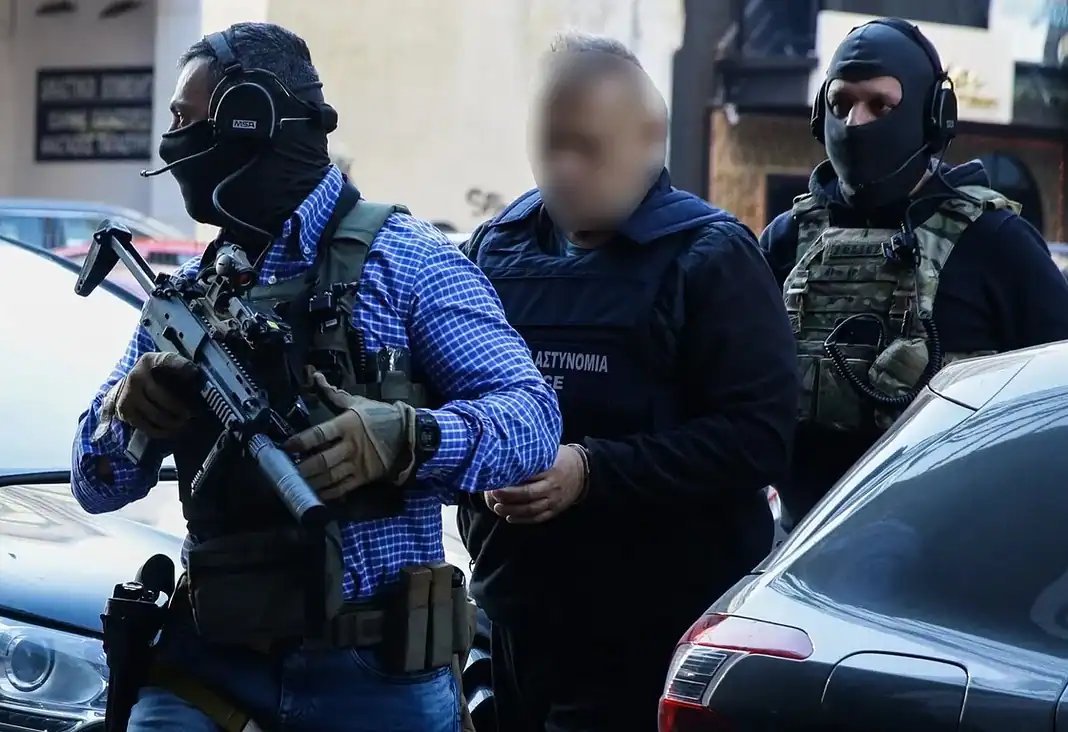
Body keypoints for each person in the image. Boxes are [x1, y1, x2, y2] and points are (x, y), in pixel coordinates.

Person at [70, 22, 561, 732]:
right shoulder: (192, 298)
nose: (171, 142)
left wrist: (408, 439)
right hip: (211, 661)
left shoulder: (408, 262)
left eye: (185, 119)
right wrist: (125, 417)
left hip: (377, 672)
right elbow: (94, 487)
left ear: (251, 117)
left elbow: (534, 422)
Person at [458, 33, 799, 732]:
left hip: (651, 637)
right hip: (514, 621)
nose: (562, 168)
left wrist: (591, 471)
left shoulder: (711, 257)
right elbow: (443, 396)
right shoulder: (496, 249)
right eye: (550, 145)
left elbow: (758, 438)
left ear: (648, 143)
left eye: (587, 148)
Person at [761, 17, 1068, 521]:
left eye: (880, 105)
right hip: (803, 539)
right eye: (840, 103)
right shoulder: (786, 239)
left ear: (933, 116)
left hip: (954, 539)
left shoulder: (997, 242)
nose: (855, 122)